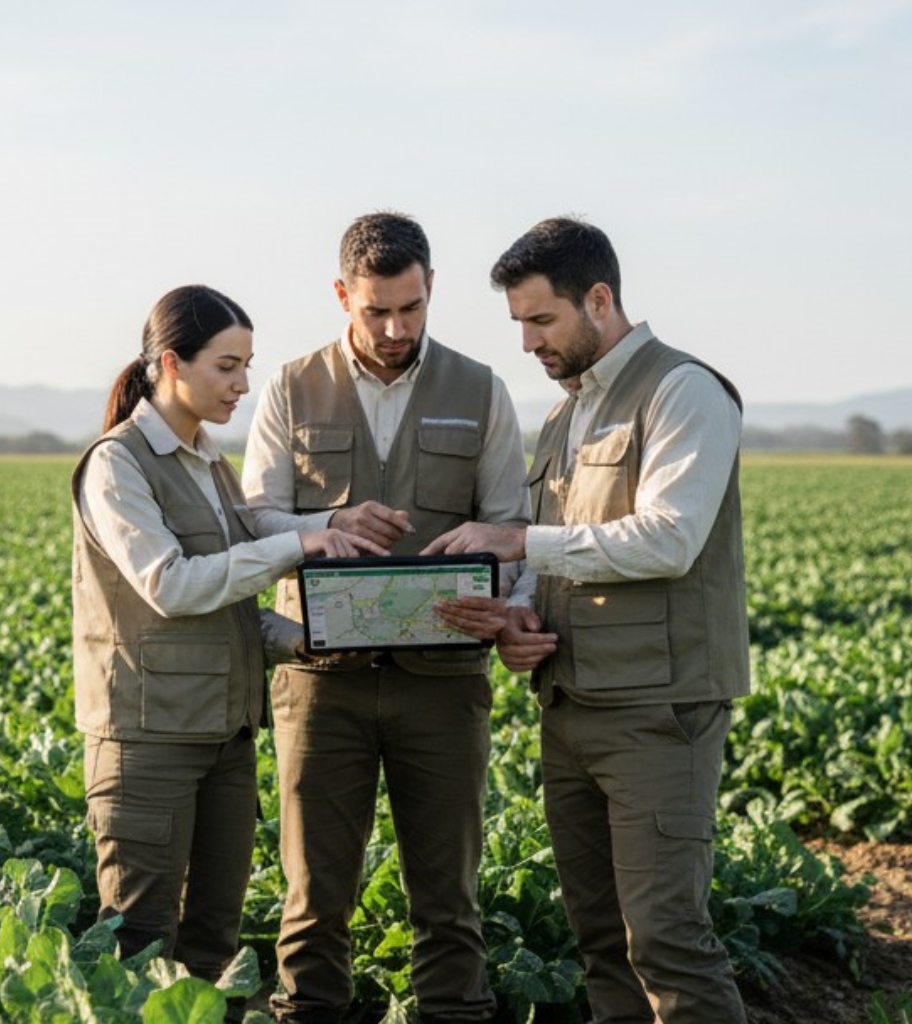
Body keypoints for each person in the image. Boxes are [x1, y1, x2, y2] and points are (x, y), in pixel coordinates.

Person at [426, 217, 750, 1023]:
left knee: (668, 940)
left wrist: (513, 536)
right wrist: (519, 617)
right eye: (520, 325)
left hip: (658, 710)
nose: (529, 342)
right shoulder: (565, 418)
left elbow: (670, 538)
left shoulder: (683, 391)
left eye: (543, 320)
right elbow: (558, 556)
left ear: (599, 299)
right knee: (601, 937)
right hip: (570, 708)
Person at [241, 212, 531, 1024]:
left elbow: (513, 526)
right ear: (343, 295)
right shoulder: (290, 388)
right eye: (377, 311)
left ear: (431, 287)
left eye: (412, 307)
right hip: (318, 679)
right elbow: (254, 516)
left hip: (444, 681)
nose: (396, 328)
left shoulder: (484, 391)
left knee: (448, 897)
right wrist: (319, 533)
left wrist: (501, 593)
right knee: (313, 898)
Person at [71, 285, 383, 1003]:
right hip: (148, 740)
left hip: (226, 734)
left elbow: (227, 607)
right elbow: (173, 587)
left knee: (213, 939)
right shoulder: (118, 463)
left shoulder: (209, 463)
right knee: (141, 947)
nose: (244, 385)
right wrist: (299, 545)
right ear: (172, 364)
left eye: (247, 366)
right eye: (227, 367)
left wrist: (311, 640)